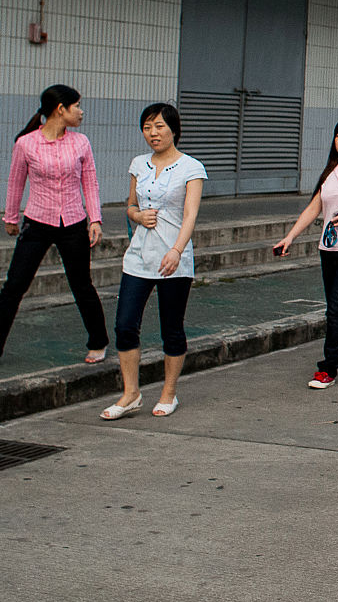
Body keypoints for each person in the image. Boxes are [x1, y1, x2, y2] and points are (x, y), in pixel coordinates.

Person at [100, 104, 206, 419]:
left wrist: (176, 250)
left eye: (159, 126)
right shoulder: (139, 164)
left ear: (174, 129)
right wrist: (137, 214)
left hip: (173, 259)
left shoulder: (191, 168)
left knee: (171, 329)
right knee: (124, 325)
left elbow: (190, 215)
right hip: (138, 257)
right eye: (147, 127)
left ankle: (168, 393)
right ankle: (131, 393)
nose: (153, 133)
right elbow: (130, 205)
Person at [1, 85, 107, 363]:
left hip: (73, 222)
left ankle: (98, 342)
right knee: (14, 286)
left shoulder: (81, 142)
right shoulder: (26, 143)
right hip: (36, 222)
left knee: (82, 284)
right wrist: (11, 218)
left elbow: (90, 182)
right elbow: (15, 182)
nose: (81, 112)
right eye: (77, 107)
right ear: (61, 109)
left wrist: (94, 218)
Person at [274, 118, 338, 389]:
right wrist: (290, 237)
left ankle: (327, 368)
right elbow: (314, 208)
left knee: (334, 308)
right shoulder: (330, 172)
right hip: (328, 247)